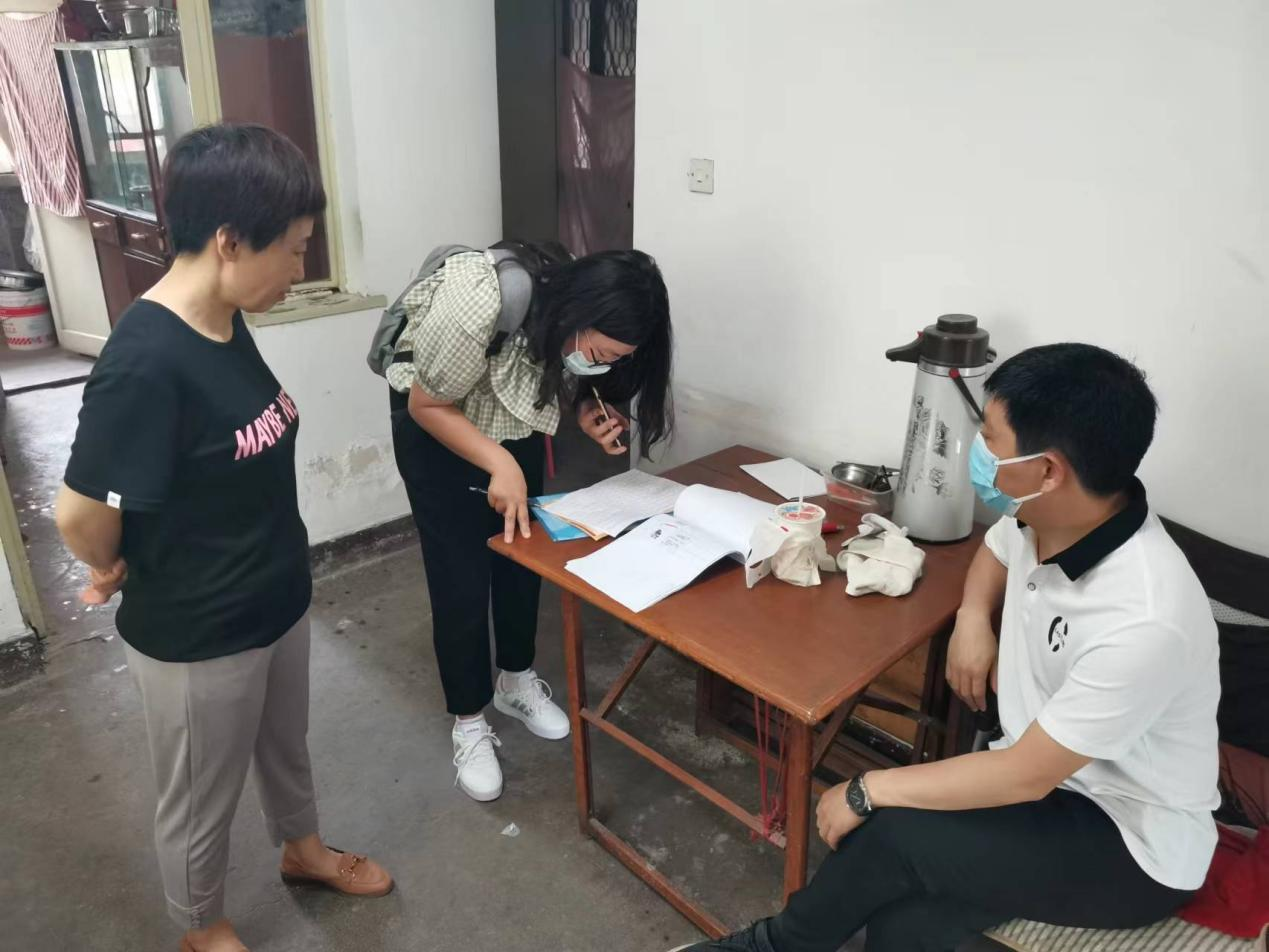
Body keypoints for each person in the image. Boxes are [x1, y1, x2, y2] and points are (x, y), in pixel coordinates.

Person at [672, 343, 1219, 952]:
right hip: (1047, 785)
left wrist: (865, 788)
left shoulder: (1144, 619)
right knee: (905, 923)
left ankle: (773, 946)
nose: (977, 450)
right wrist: (973, 619)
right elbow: (995, 552)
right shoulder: (1052, 514)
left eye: (990, 438)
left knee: (892, 832)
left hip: (1128, 839)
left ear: (1048, 471)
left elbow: (1025, 775)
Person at [55, 124, 392, 952]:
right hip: (199, 631)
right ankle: (201, 928)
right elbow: (78, 513)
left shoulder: (225, 318)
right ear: (229, 240)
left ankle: (303, 851)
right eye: (294, 249)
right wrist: (110, 563)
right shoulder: (144, 361)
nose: (300, 268)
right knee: (201, 796)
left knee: (285, 749)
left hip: (274, 597)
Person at [388, 241, 673, 802]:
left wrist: (585, 408)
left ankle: (514, 681)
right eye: (604, 352)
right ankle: (469, 720)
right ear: (581, 312)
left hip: (507, 424)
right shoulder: (479, 299)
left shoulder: (562, 313)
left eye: (617, 359)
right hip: (437, 423)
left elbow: (534, 372)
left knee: (521, 557)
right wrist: (498, 464)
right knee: (461, 577)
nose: (605, 364)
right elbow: (427, 404)